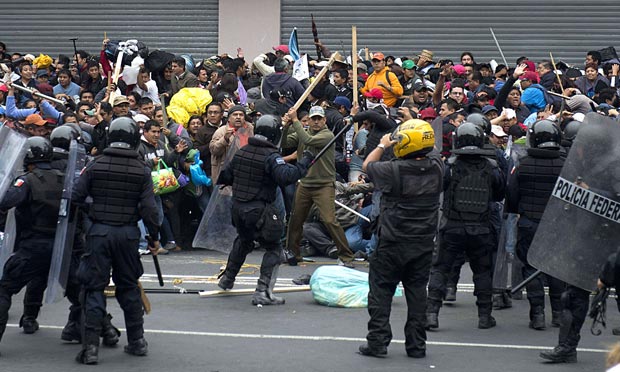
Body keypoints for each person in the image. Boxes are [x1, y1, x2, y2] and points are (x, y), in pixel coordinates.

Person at [72, 117, 161, 364]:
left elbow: (77, 196)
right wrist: (154, 237)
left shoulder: (95, 165)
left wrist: (94, 208)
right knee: (129, 286)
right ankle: (137, 341)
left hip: (99, 232)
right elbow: (149, 209)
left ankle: (90, 348)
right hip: (128, 234)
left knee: (94, 288)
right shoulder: (142, 169)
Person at [358, 119, 442, 359]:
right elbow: (431, 148)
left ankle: (377, 342)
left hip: (393, 242)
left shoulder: (391, 171)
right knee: (417, 293)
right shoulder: (437, 167)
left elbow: (367, 165)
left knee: (381, 292)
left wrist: (383, 145)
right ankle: (416, 345)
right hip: (423, 242)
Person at [217, 115, 312, 305]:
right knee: (274, 248)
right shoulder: (271, 156)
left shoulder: (242, 152)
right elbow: (286, 177)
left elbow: (225, 176)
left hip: (238, 208)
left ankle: (227, 278)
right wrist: (304, 162)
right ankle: (263, 291)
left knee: (244, 240)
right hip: (259, 210)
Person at [426, 122, 506, 330]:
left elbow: (438, 188)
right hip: (481, 227)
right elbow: (499, 194)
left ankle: (432, 314)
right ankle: (484, 316)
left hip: (452, 226)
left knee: (441, 269)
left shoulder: (450, 166)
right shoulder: (492, 167)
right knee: (482, 271)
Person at [0, 137, 64, 354]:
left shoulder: (26, 181)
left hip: (33, 245)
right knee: (82, 291)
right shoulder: (63, 179)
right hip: (60, 246)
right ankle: (103, 333)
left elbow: (6, 201)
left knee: (4, 288)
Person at [505, 120, 566, 331]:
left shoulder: (523, 164)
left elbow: (511, 194)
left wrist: (517, 211)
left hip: (529, 221)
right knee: (556, 268)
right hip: (557, 224)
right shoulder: (565, 165)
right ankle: (558, 313)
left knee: (531, 268)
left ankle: (537, 314)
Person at [283, 106, 355, 267]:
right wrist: (286, 127)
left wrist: (295, 120)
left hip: (323, 185)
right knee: (295, 220)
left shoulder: (327, 135)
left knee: (329, 220)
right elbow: (286, 143)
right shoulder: (304, 132)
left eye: (319, 119)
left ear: (324, 120)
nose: (316, 122)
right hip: (305, 183)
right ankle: (293, 254)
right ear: (308, 120)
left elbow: (308, 141)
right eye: (313, 119)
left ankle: (346, 256)